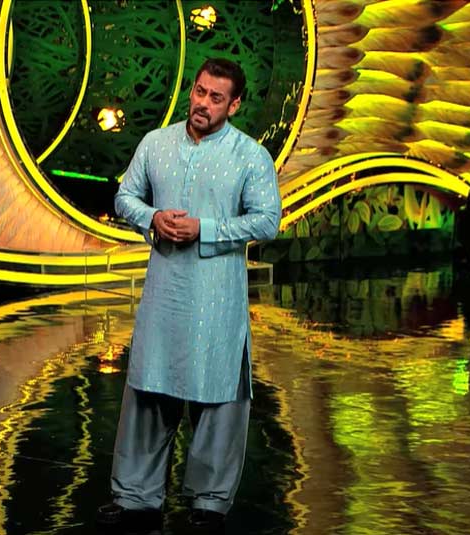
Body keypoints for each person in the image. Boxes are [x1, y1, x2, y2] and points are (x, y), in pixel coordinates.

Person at [97, 57, 281, 531]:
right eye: (200, 92)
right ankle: (135, 497)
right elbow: (125, 197)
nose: (203, 103)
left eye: (216, 98)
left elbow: (267, 221)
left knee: (217, 396)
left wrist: (206, 229)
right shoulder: (156, 143)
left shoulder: (250, 156)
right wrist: (152, 218)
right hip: (164, 293)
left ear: (234, 105)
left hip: (217, 298)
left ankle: (208, 503)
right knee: (149, 388)